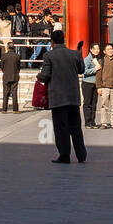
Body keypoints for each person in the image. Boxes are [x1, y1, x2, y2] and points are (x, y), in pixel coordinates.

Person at [39, 30, 86, 164]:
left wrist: (39, 77)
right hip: (73, 97)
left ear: (52, 41)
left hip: (58, 97)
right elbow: (81, 69)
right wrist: (79, 53)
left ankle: (65, 155)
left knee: (61, 128)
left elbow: (45, 74)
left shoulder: (49, 55)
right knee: (76, 127)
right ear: (64, 40)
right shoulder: (74, 54)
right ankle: (81, 154)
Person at [96, 44, 113, 128]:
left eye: (111, 49)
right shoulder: (101, 61)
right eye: (108, 49)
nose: (110, 51)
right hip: (104, 86)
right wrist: (99, 87)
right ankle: (104, 123)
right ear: (104, 51)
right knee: (104, 106)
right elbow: (98, 75)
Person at [80, 42, 100, 128]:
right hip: (87, 83)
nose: (97, 50)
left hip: (96, 83)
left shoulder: (98, 59)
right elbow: (84, 71)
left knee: (94, 103)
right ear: (91, 50)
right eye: (95, 49)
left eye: (98, 49)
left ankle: (93, 121)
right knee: (87, 103)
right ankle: (87, 122)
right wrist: (95, 69)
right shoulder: (87, 59)